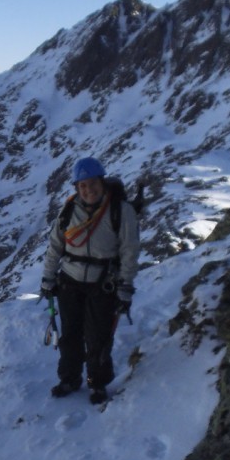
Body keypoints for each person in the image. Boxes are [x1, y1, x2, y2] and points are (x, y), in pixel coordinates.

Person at [40, 156, 140, 404]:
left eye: (92, 183)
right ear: (76, 188)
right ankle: (69, 378)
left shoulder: (120, 211)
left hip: (102, 283)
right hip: (69, 281)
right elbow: (55, 247)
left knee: (98, 336)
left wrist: (125, 285)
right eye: (82, 185)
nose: (88, 189)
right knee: (70, 336)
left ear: (102, 182)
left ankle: (97, 383)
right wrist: (48, 278)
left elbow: (130, 250)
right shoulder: (68, 210)